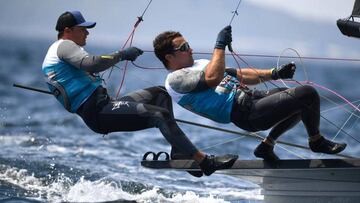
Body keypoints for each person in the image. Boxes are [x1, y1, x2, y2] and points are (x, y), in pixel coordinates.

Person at [41, 11, 238, 177]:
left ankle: (179, 153)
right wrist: (122, 55)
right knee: (158, 115)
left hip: (105, 105)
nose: (87, 33)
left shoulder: (60, 52)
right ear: (67, 31)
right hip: (98, 113)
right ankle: (205, 161)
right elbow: (92, 63)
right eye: (82, 29)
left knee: (161, 94)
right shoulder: (64, 46)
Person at [153, 26, 347, 162]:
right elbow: (213, 78)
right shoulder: (174, 79)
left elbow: (240, 74)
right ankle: (317, 141)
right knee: (307, 93)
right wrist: (219, 44)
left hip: (252, 98)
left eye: (189, 44)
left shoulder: (199, 64)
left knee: (298, 99)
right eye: (184, 48)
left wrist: (275, 73)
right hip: (244, 114)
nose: (191, 49)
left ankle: (267, 145)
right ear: (169, 57)